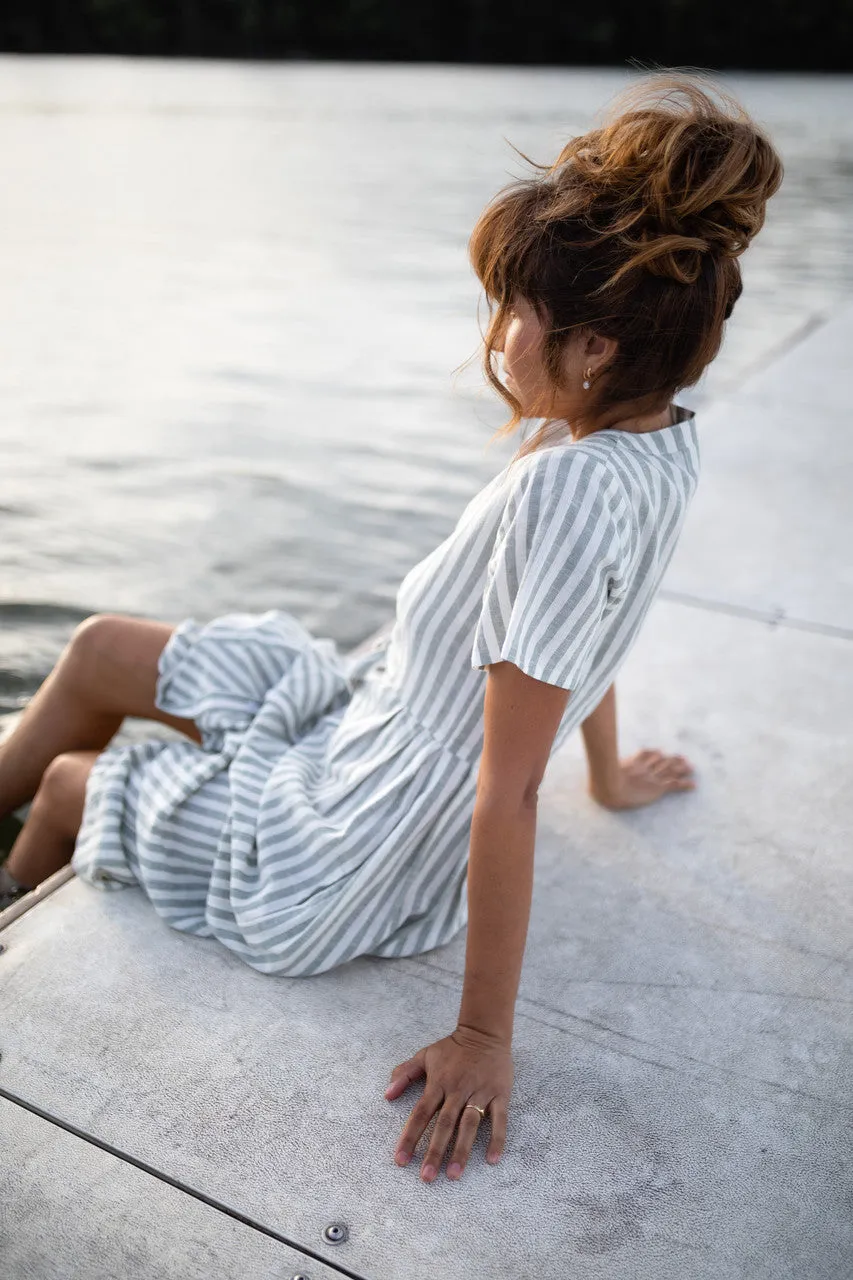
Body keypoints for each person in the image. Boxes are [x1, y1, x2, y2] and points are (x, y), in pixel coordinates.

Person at [0, 71, 782, 1183]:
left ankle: (22, 892)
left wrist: (482, 1036)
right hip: (368, 717)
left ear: (596, 346)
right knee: (100, 648)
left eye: (517, 311)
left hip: (355, 828)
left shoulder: (563, 491)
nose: (499, 333)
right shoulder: (648, 442)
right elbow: (586, 637)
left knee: (84, 778)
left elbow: (507, 790)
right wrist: (605, 781)